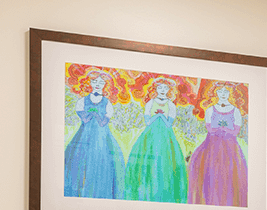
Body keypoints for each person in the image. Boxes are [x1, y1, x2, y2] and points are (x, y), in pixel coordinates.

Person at [123, 78, 188, 203]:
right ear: (155, 89)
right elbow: (147, 122)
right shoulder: (150, 103)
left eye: (165, 88)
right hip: (150, 135)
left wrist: (161, 116)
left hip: (166, 136)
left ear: (169, 90)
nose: (162, 90)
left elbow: (169, 124)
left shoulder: (171, 105)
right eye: (160, 87)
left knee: (165, 161)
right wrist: (157, 116)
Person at [64, 70, 124, 199]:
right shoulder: (82, 101)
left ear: (106, 85)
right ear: (89, 82)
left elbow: (103, 123)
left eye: (101, 82)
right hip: (84, 136)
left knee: (102, 162)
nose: (98, 84)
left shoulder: (107, 103)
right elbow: (84, 120)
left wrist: (96, 114)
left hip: (102, 137)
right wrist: (91, 113)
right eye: (95, 81)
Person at [187, 82, 247, 206]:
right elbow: (209, 128)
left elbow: (236, 131)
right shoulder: (210, 110)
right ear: (214, 92)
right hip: (211, 147)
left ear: (231, 93)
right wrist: (221, 129)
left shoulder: (236, 111)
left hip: (230, 148)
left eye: (226, 91)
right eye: (220, 91)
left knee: (229, 176)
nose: (223, 94)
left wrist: (224, 130)